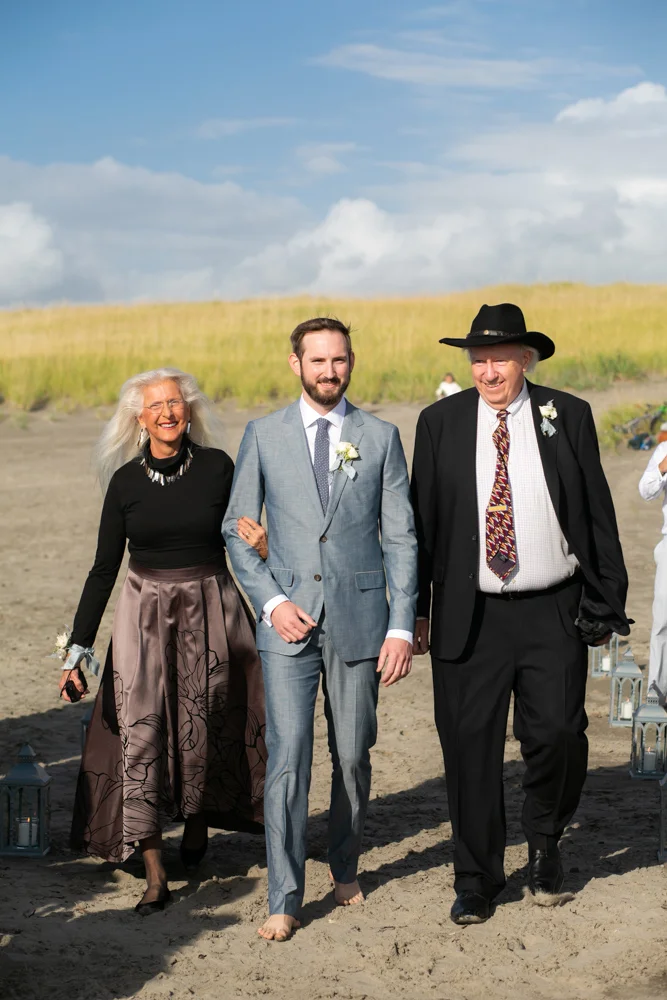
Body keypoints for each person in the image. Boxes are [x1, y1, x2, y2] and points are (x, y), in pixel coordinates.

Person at [411, 303, 630, 925]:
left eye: (499, 359)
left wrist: (605, 597)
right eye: (477, 360)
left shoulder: (570, 415)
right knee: (469, 747)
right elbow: (419, 525)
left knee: (559, 734)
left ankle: (544, 843)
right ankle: (476, 877)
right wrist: (415, 610)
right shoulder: (439, 423)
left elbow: (595, 512)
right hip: (468, 612)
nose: (487, 371)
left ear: (525, 360)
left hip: (551, 608)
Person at [223, 317, 418, 942]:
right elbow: (236, 527)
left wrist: (401, 627)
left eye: (338, 361)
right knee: (287, 757)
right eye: (317, 361)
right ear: (295, 365)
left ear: (351, 362)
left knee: (354, 753)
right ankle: (283, 893)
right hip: (287, 624)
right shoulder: (263, 434)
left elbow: (401, 538)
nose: (328, 372)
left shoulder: (381, 437)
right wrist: (272, 601)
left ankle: (345, 863)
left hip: (361, 620)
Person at [61, 368, 267, 915]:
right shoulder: (124, 482)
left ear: (190, 409)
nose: (167, 413)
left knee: (207, 720)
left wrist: (269, 554)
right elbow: (103, 569)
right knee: (140, 733)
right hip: (142, 615)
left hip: (211, 606)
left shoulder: (220, 468)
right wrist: (77, 651)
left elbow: (246, 538)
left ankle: (197, 822)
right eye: (156, 406)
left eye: (175, 402)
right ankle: (155, 872)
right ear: (139, 417)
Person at [638, 442, 667, 701]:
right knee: (663, 620)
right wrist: (664, 465)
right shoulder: (664, 449)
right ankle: (657, 692)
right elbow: (645, 491)